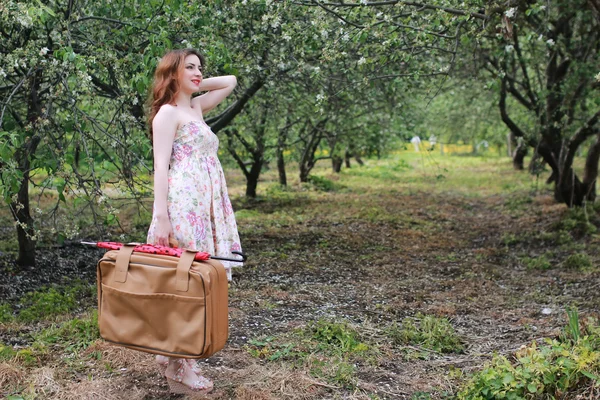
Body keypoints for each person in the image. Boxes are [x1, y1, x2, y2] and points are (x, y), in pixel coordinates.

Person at [146, 48, 242, 395]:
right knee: (186, 283)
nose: (199, 73)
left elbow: (230, 82)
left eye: (200, 67)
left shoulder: (196, 107)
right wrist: (161, 216)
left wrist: (195, 83)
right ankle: (180, 367)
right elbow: (160, 167)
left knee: (202, 278)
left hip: (208, 203)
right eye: (190, 67)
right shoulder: (167, 114)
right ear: (172, 73)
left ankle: (172, 354)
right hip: (184, 202)